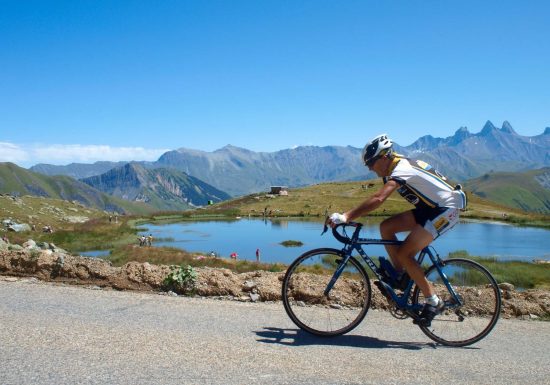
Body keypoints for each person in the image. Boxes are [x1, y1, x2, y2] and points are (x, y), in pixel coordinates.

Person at [328, 134, 467, 327]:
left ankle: (433, 301)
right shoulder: (394, 166)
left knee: (405, 253)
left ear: (383, 157)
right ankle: (402, 277)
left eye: (370, 163)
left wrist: (346, 216)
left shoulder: (402, 168)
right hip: (430, 208)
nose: (369, 168)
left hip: (446, 210)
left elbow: (378, 199)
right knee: (386, 227)